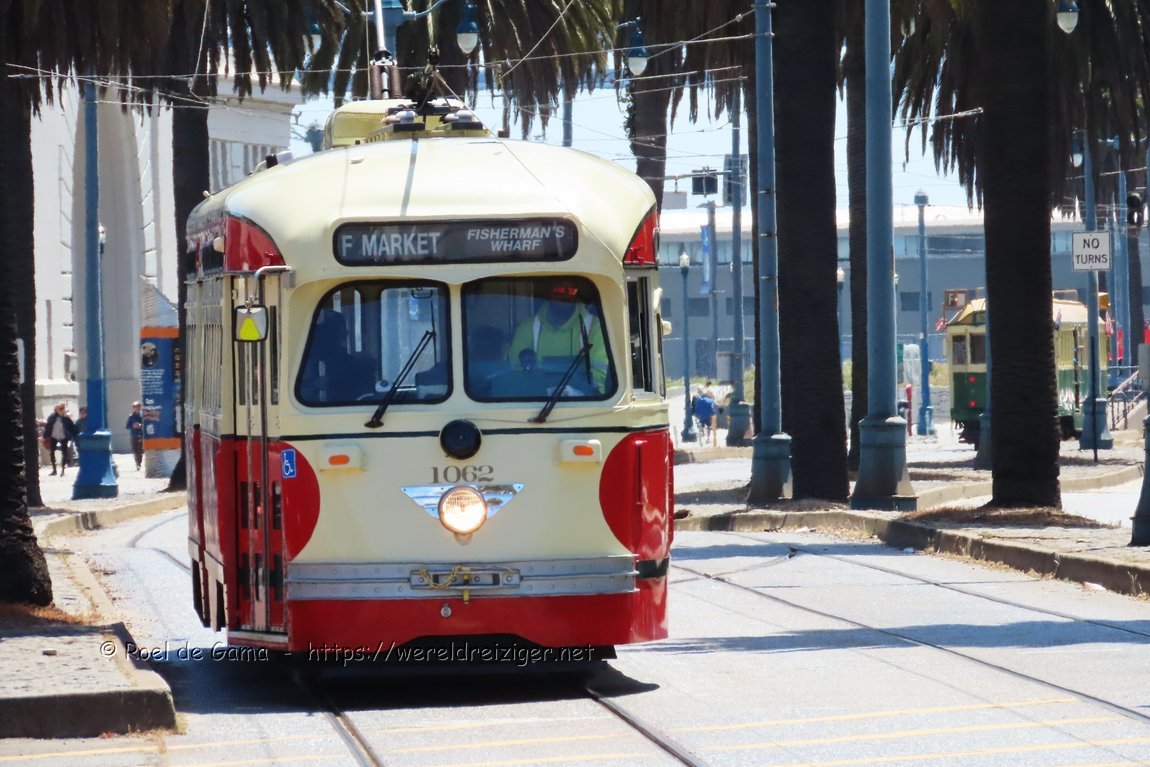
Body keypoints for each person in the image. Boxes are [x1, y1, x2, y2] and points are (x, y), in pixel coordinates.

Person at [506, 280, 610, 394]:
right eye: (559, 290)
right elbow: (514, 372)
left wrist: (585, 395)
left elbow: (599, 373)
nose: (564, 295)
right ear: (548, 293)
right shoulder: (527, 327)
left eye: (570, 291)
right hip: (536, 400)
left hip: (582, 401)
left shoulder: (594, 326)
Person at [43, 402, 77, 476]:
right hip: (53, 436)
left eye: (63, 408)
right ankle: (54, 470)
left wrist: (73, 435)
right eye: (60, 408)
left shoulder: (66, 418)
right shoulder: (52, 417)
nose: (62, 410)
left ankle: (63, 470)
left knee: (64, 453)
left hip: (63, 436)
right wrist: (44, 436)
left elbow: (72, 427)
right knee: (52, 453)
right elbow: (48, 426)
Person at [126, 401, 144, 471]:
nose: (138, 408)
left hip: (141, 435)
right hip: (133, 435)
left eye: (139, 406)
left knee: (140, 450)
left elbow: (146, 424)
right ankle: (137, 463)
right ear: (133, 408)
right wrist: (133, 426)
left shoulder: (142, 416)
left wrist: (141, 425)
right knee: (135, 450)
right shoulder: (131, 416)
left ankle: (139, 463)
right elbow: (127, 426)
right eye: (136, 407)